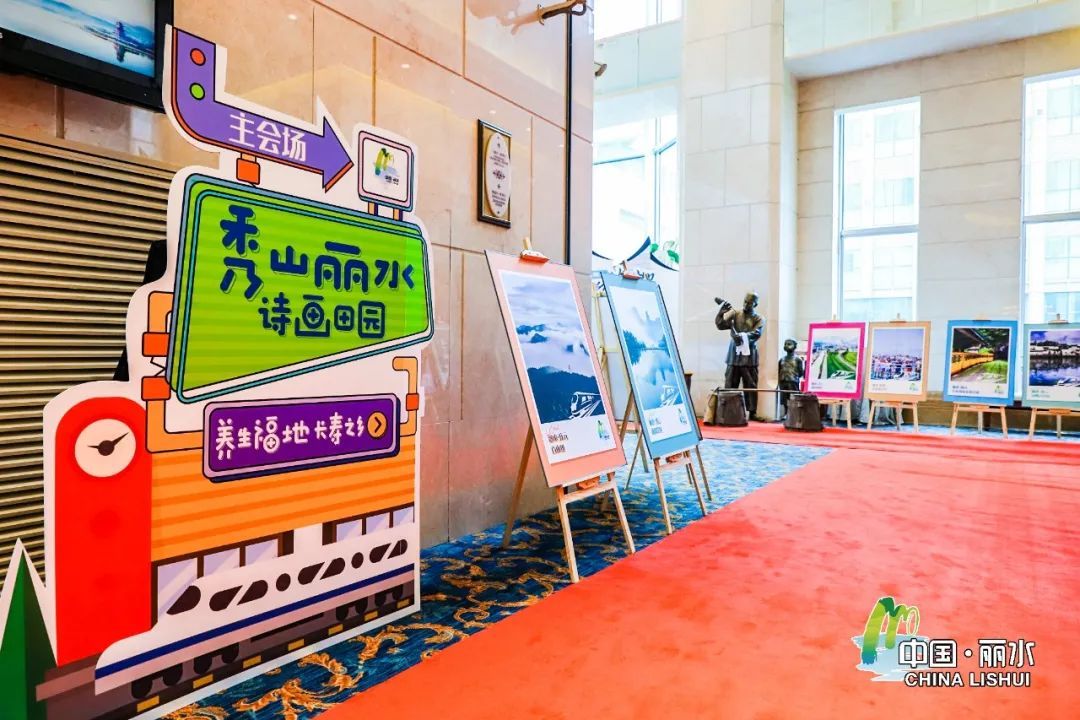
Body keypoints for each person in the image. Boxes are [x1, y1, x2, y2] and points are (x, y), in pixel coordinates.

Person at [715, 291, 765, 420]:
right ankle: (728, 411)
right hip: (734, 355)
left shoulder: (759, 319)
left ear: (755, 304)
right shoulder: (735, 314)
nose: (746, 304)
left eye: (750, 303)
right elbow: (720, 325)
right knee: (730, 384)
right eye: (745, 301)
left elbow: (757, 333)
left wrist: (742, 336)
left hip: (749, 357)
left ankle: (752, 412)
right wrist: (721, 313)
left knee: (751, 385)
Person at [778, 338, 803, 419]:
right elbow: (779, 370)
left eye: (789, 344)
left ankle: (794, 414)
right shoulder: (781, 359)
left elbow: (801, 372)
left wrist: (794, 377)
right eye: (785, 344)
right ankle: (786, 413)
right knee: (784, 399)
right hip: (783, 381)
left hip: (793, 381)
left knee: (793, 398)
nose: (786, 346)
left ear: (795, 346)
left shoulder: (798, 359)